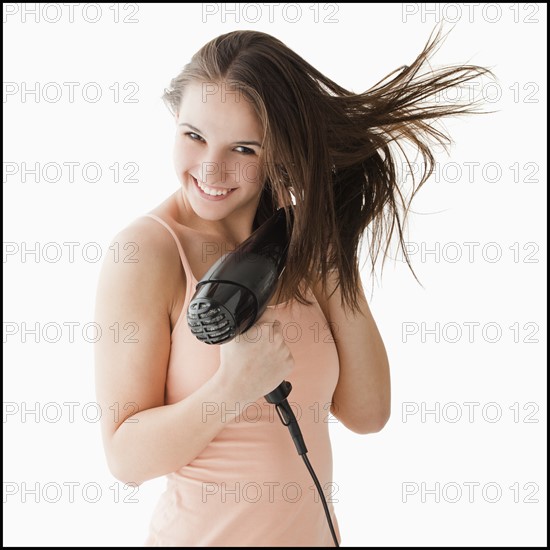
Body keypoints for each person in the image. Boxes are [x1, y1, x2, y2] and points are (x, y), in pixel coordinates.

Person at [94, 26, 492, 547]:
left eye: (244, 148)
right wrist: (230, 388)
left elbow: (368, 413)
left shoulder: (301, 244)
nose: (211, 168)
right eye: (194, 135)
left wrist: (328, 248)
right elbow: (125, 459)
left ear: (279, 149)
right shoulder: (146, 253)